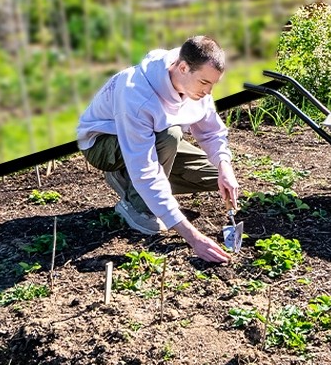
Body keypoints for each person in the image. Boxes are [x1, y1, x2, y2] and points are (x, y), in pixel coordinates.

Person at [76, 35, 239, 263]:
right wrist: (193, 238)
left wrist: (224, 167)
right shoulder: (137, 95)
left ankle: (141, 185)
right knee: (170, 136)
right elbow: (146, 171)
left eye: (213, 84)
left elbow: (211, 131)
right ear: (183, 68)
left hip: (152, 138)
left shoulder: (194, 81)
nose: (209, 92)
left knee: (214, 179)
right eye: (204, 83)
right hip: (104, 143)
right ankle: (135, 202)